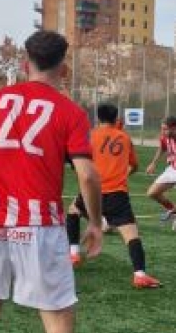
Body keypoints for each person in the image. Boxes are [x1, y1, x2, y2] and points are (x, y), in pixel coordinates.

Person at [0, 30, 103, 333]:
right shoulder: (71, 112)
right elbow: (88, 175)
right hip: (40, 224)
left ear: (26, 65)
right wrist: (95, 222)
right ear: (63, 69)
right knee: (57, 317)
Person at [66, 104, 161, 288]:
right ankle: (140, 274)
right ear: (116, 117)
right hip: (118, 194)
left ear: (98, 117)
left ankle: (74, 253)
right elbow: (135, 165)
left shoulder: (90, 135)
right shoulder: (125, 137)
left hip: (93, 191)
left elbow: (77, 162)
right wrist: (122, 175)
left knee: (73, 212)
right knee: (131, 235)